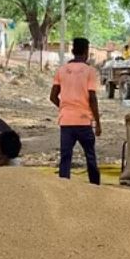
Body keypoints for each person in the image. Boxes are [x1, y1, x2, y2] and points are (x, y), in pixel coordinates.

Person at [50, 37, 102, 185]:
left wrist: (64, 107)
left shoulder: (61, 70)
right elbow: (92, 98)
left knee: (65, 157)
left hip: (66, 121)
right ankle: (95, 187)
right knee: (90, 156)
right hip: (84, 121)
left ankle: (63, 187)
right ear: (86, 51)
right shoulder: (90, 71)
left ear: (73, 51)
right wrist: (98, 122)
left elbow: (53, 96)